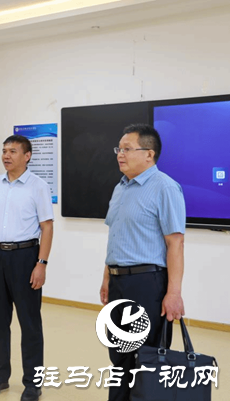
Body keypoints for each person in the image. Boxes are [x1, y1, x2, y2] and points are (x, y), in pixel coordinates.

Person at [99, 123, 186, 401]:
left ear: (149, 154)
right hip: (118, 282)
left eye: (127, 149)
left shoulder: (165, 188)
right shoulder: (121, 187)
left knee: (146, 358)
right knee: (119, 355)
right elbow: (116, 236)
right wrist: (107, 277)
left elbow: (175, 244)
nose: (120, 154)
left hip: (147, 283)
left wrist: (173, 293)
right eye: (119, 149)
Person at [0, 135, 54, 401]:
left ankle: (33, 383)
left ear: (27, 156)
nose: (6, 156)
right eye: (4, 151)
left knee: (29, 322)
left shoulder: (38, 186)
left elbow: (47, 227)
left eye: (12, 151)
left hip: (25, 256)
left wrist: (41, 264)